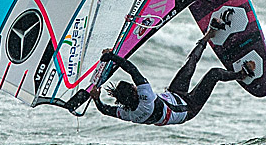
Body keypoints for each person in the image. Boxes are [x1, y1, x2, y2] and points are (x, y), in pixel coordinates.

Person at [90, 13, 255, 126]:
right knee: (214, 74)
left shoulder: (128, 114)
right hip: (189, 108)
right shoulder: (146, 100)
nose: (136, 86)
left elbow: (106, 110)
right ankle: (241, 74)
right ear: (135, 93)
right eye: (134, 88)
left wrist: (96, 99)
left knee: (190, 64)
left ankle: (209, 34)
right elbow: (132, 70)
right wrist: (111, 57)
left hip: (173, 96)